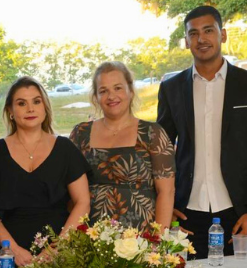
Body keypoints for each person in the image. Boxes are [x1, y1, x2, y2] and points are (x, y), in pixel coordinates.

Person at [157, 5, 247, 258]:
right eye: (194, 33)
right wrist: (165, 205)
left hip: (239, 212)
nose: (201, 39)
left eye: (208, 30)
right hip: (187, 211)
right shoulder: (171, 88)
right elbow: (161, 152)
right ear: (187, 41)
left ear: (222, 35)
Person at [0, 77, 90, 268]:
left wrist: (57, 248)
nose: (30, 109)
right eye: (21, 103)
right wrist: (12, 250)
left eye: (36, 101)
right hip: (10, 255)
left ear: (45, 107)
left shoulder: (65, 149)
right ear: (10, 110)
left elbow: (83, 201)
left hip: (60, 251)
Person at [70, 61, 175, 229]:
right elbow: (70, 192)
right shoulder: (80, 134)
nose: (111, 96)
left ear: (131, 91)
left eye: (118, 88)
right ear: (96, 97)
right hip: (90, 238)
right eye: (103, 91)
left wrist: (158, 241)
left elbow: (166, 192)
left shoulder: (152, 133)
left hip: (141, 240)